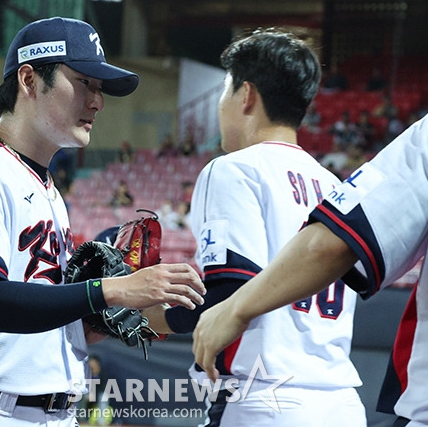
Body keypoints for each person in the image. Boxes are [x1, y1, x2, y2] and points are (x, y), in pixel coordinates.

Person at [0, 17, 205, 427]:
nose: (97, 101)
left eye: (99, 89)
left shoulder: (50, 193)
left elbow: (46, 323)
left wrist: (146, 308)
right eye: (84, 82)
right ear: (29, 79)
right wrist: (107, 289)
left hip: (53, 411)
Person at [193, 94, 428, 427]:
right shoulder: (328, 179)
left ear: (246, 94)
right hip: (340, 398)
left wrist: (162, 317)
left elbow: (329, 248)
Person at [143, 28, 365, 427]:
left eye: (226, 91)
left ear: (245, 95)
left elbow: (229, 295)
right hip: (340, 403)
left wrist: (135, 319)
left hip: (265, 398)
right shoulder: (336, 186)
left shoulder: (233, 169)